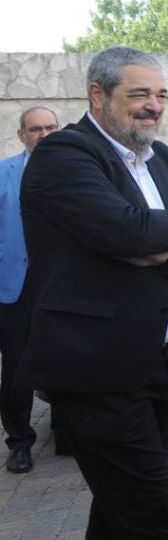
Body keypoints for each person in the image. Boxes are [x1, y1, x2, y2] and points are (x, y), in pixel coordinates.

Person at [18, 47, 168, 539]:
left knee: (120, 510)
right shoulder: (64, 154)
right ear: (98, 94)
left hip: (162, 358)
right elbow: (127, 232)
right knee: (153, 517)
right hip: (98, 370)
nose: (154, 105)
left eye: (161, 95)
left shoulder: (163, 159)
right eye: (139, 94)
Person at [0, 106, 59, 474]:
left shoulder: (76, 174)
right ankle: (19, 441)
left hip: (63, 286)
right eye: (35, 129)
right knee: (17, 369)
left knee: (69, 360)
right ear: (22, 135)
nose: (43, 135)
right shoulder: (3, 173)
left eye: (50, 128)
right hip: (15, 289)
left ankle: (68, 434)